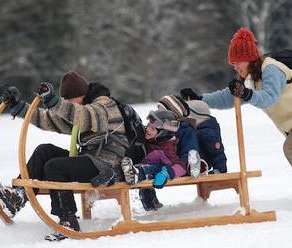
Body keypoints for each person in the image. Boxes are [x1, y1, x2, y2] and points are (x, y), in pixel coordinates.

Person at [0, 71, 129, 241]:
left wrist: (55, 103)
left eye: (70, 100)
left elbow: (85, 116)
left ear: (82, 95)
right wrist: (20, 108)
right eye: (66, 100)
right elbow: (50, 120)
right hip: (89, 159)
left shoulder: (104, 106)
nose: (68, 103)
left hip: (107, 166)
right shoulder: (79, 108)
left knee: (55, 167)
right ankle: (18, 197)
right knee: (44, 151)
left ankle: (68, 220)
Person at [180, 27, 292, 168]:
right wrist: (200, 99)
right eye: (233, 64)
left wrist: (246, 93)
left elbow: (269, 98)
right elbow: (227, 97)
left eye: (237, 62)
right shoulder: (252, 80)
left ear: (249, 58)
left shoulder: (271, 69)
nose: (235, 67)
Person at [121, 108, 205, 210]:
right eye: (148, 126)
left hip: (161, 171)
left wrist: (166, 174)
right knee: (144, 174)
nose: (147, 129)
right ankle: (152, 207)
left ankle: (137, 173)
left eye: (152, 128)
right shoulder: (150, 140)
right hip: (146, 171)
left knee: (148, 169)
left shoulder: (167, 147)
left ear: (163, 133)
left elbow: (180, 166)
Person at [158, 95, 227, 174]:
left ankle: (195, 167)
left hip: (197, 161)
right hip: (180, 160)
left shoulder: (207, 133)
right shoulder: (173, 128)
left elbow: (217, 154)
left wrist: (219, 170)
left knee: (192, 153)